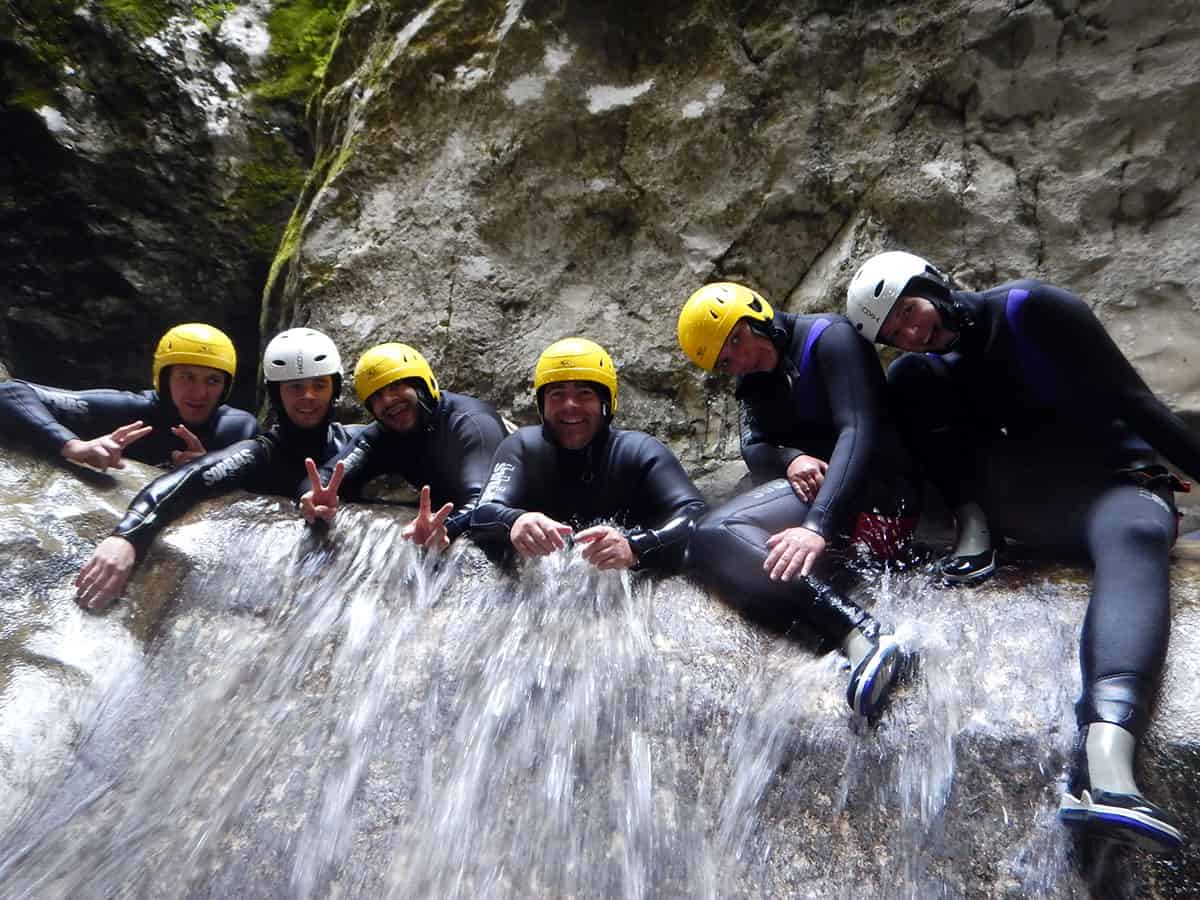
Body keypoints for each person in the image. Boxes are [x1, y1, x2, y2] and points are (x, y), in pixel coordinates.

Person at [846, 249, 1197, 852]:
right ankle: (973, 531)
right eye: (894, 332)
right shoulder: (927, 370)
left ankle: (1107, 768)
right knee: (908, 381)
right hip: (1027, 504)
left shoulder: (1033, 309)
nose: (911, 332)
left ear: (932, 283)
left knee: (1137, 537)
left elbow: (1138, 405)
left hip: (1117, 485)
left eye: (909, 310)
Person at [676, 282, 919, 719]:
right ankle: (835, 629)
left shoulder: (831, 338)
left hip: (877, 499)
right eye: (725, 362)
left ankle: (862, 631)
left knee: (716, 533)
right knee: (706, 548)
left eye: (736, 345)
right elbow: (755, 447)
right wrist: (790, 458)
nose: (738, 363)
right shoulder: (755, 383)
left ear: (753, 321)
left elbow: (859, 430)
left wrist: (815, 528)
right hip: (832, 508)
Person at [74, 328, 361, 610]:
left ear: (335, 389)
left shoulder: (362, 442)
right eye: (295, 387)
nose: (308, 396)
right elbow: (189, 479)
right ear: (277, 394)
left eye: (319, 385)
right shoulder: (258, 454)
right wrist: (126, 537)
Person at [471, 338, 705, 574]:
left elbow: (695, 514)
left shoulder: (639, 451)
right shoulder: (521, 447)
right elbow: (483, 512)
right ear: (543, 406)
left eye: (584, 394)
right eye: (557, 394)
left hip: (628, 586)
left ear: (605, 404)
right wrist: (515, 521)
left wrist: (636, 547)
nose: (570, 405)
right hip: (541, 587)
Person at [299, 342, 508, 550]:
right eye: (377, 396)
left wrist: (446, 526)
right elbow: (325, 477)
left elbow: (486, 502)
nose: (388, 400)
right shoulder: (384, 435)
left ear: (423, 385)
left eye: (396, 386)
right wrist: (312, 497)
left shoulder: (473, 424)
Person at [0, 323, 258, 470]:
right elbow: (12, 392)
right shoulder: (131, 411)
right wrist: (73, 446)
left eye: (212, 380)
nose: (200, 393)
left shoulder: (238, 429)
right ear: (164, 378)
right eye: (187, 377)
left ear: (226, 386)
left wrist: (215, 468)